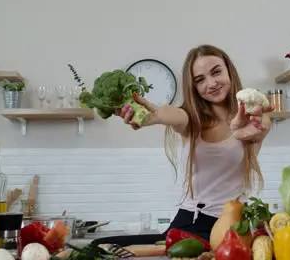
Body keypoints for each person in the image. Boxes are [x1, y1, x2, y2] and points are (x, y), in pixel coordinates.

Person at [91, 44, 274, 247]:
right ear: (193, 87)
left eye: (216, 72)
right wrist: (154, 116)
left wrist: (260, 127)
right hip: (195, 224)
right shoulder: (192, 119)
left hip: (236, 225)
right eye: (200, 80)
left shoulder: (252, 117)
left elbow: (263, 124)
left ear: (229, 71)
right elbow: (173, 115)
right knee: (102, 246)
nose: (211, 83)